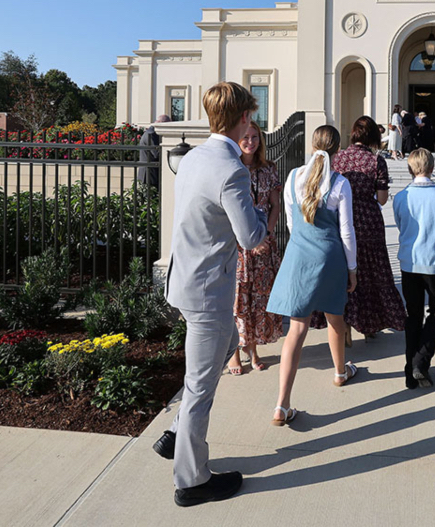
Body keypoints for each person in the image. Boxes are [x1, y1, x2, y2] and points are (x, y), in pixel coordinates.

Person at [152, 82, 268, 507]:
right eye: (251, 115)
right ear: (244, 117)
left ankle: (176, 434)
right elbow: (251, 236)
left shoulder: (195, 157)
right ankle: (192, 481)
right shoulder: (231, 169)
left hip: (185, 281)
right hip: (207, 292)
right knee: (200, 388)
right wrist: (263, 213)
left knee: (228, 344)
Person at [267, 125, 359, 426]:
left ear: (311, 145)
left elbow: (291, 222)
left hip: (299, 254)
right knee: (335, 319)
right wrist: (352, 268)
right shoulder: (340, 183)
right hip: (329, 256)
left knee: (296, 329)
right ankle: (340, 372)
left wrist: (303, 243)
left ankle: (281, 404)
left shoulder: (294, 177)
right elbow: (347, 231)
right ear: (338, 149)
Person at [314, 116, 406, 341]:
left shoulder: (338, 157)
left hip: (340, 220)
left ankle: (343, 324)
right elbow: (382, 199)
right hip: (369, 223)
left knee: (344, 272)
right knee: (372, 274)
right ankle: (370, 324)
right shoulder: (376, 161)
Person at [227, 119, 283, 375]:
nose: (250, 142)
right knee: (238, 299)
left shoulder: (268, 169)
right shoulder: (230, 167)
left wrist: (266, 235)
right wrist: (247, 240)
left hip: (263, 244)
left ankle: (253, 349)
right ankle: (234, 353)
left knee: (258, 300)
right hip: (237, 246)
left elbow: (276, 205)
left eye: (255, 137)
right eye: (246, 137)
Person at [393, 148, 435, 389]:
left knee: (413, 315)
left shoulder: (401, 197)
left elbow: (400, 224)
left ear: (410, 168)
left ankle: (411, 369)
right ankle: (421, 360)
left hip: (410, 262)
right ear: (432, 167)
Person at [136, 114, 171, 189]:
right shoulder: (152, 134)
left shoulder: (150, 132)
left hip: (149, 173)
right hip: (149, 174)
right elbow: (156, 153)